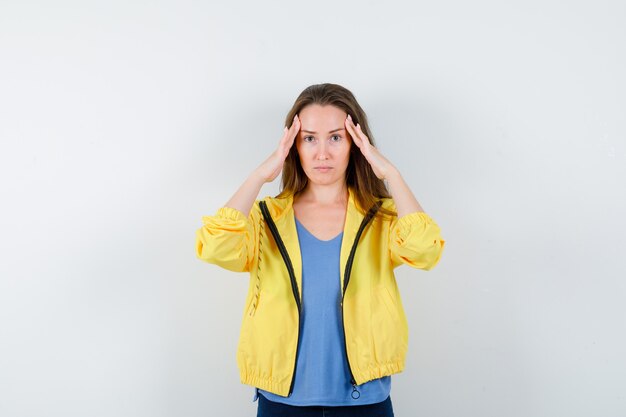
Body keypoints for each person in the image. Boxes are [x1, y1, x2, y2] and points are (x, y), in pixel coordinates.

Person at [195, 83, 446, 417]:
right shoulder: (266, 219)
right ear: (293, 146)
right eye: (309, 138)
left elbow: (425, 251)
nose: (322, 153)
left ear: (356, 144)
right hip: (281, 402)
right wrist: (259, 176)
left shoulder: (380, 217)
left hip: (365, 401)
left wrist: (391, 174)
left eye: (336, 137)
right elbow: (214, 246)